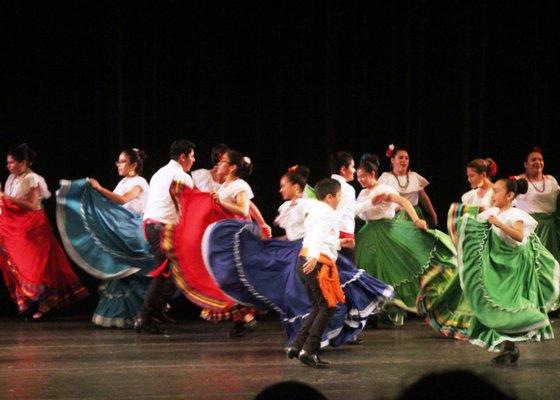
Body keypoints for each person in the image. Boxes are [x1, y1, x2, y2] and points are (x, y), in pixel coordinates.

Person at [459, 177, 559, 363]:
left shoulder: (515, 215)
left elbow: (519, 236)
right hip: (500, 266)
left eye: (497, 191)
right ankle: (509, 347)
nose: (493, 194)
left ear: (510, 195)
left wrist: (499, 224)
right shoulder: (494, 211)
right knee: (497, 302)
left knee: (509, 303)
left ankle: (530, 324)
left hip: (514, 268)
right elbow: (476, 220)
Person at [354, 154, 456, 326]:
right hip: (369, 233)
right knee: (370, 269)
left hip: (386, 231)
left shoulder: (383, 189)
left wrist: (416, 219)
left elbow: (403, 202)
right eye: (358, 177)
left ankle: (394, 310)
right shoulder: (363, 192)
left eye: (363, 176)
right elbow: (359, 211)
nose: (360, 179)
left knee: (393, 269)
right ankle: (375, 311)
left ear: (372, 173)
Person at [0, 143, 88, 319]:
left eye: (11, 163)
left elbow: (33, 205)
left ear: (23, 162)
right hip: (17, 225)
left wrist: (6, 197)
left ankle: (44, 303)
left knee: (37, 266)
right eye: (7, 163)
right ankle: (28, 302)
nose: (8, 166)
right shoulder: (11, 178)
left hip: (33, 227)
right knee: (17, 262)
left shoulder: (33, 179)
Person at [134, 139, 196, 334]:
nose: (194, 160)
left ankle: (157, 310)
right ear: (183, 156)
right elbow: (189, 206)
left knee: (176, 271)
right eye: (192, 156)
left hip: (152, 226)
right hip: (163, 228)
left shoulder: (159, 173)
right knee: (165, 274)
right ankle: (144, 317)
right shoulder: (182, 177)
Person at [286, 178, 348, 368]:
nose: (339, 199)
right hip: (316, 263)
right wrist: (314, 255)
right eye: (338, 196)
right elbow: (317, 236)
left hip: (307, 260)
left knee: (318, 306)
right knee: (328, 307)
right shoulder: (327, 213)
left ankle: (297, 346)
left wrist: (338, 244)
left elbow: (322, 237)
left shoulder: (315, 210)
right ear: (330, 197)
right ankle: (309, 350)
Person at [85, 148, 152, 328]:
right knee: (121, 274)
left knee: (130, 274)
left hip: (134, 233)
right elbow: (112, 203)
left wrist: (99, 188)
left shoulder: (140, 182)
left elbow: (122, 200)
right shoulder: (124, 181)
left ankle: (140, 315)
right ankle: (127, 316)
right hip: (123, 231)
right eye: (118, 161)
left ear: (134, 165)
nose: (118, 164)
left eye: (122, 161)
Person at [515, 147, 560, 262]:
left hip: (548, 229)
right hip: (528, 227)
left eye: (540, 159)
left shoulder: (551, 181)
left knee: (548, 261)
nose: (538, 162)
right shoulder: (519, 181)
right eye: (533, 159)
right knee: (530, 261)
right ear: (525, 164)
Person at [378, 144, 438, 226]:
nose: (404, 160)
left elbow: (424, 198)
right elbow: (380, 199)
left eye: (406, 158)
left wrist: (433, 215)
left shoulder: (414, 177)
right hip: (394, 216)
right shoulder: (386, 178)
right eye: (401, 157)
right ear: (392, 160)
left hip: (414, 216)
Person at [329, 151, 356, 261]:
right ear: (343, 169)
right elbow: (335, 214)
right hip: (343, 238)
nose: (354, 170)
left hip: (330, 238)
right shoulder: (347, 189)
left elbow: (350, 210)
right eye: (352, 167)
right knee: (347, 275)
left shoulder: (325, 185)